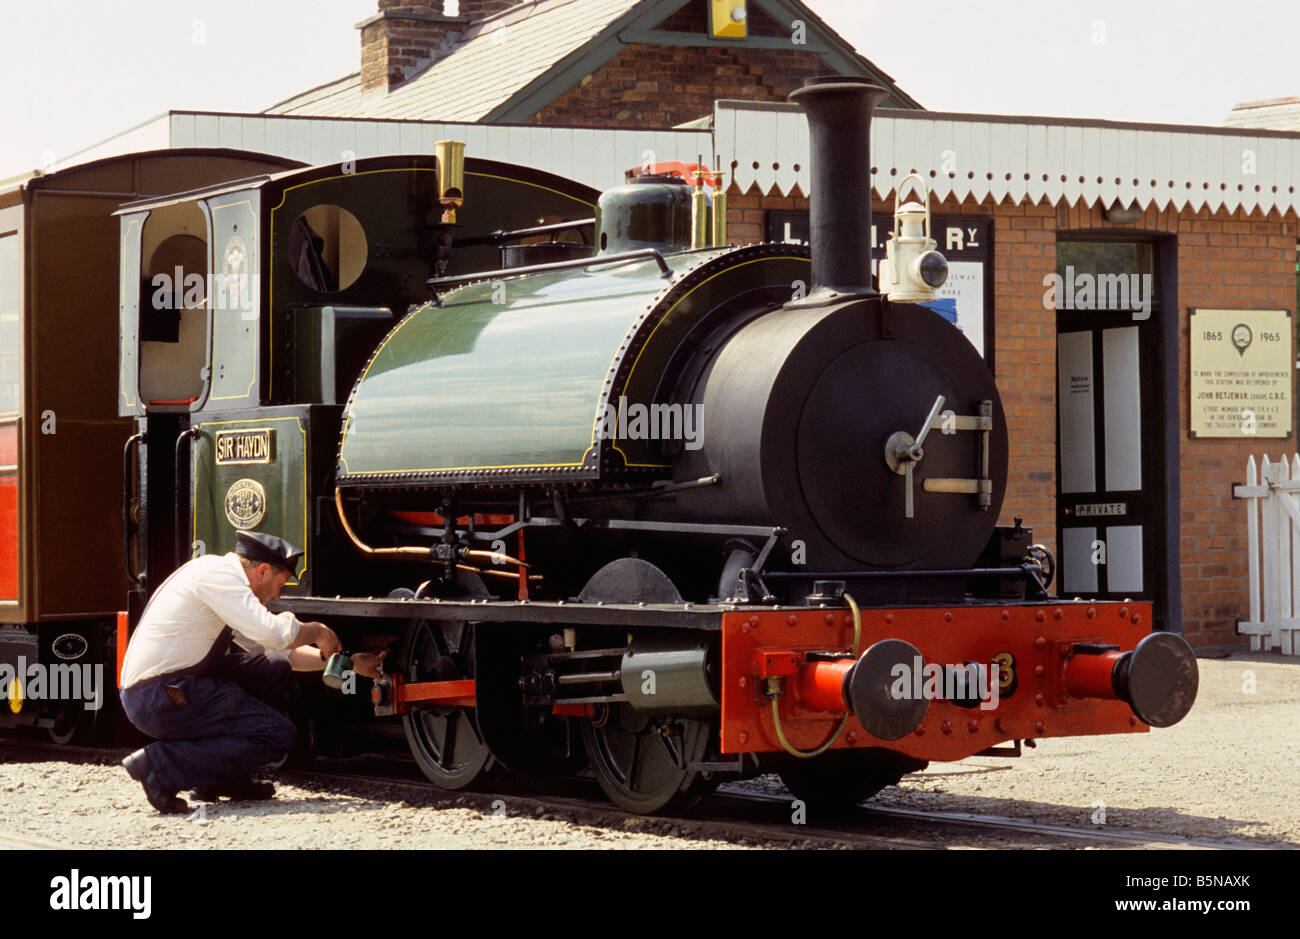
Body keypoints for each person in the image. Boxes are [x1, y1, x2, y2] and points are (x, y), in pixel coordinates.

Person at [118, 530, 385, 814]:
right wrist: (317, 630)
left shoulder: (222, 581)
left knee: (272, 666)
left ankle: (220, 780)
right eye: (278, 584)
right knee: (277, 735)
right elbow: (270, 632)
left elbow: (284, 653)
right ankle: (159, 766)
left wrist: (348, 662)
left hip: (172, 688)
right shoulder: (218, 576)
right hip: (159, 695)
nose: (277, 594)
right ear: (262, 570)